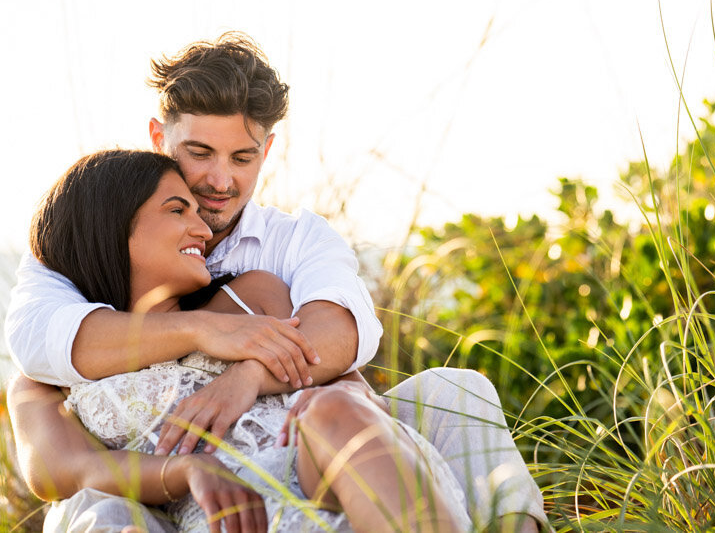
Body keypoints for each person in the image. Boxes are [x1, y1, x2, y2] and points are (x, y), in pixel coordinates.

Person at [4, 33, 546, 531]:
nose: (220, 181)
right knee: (92, 507)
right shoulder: (72, 246)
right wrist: (203, 334)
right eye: (198, 154)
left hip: (302, 451)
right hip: (169, 496)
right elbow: (40, 344)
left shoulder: (287, 250)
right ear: (158, 137)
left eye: (242, 157)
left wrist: (246, 374)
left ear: (266, 152)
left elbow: (343, 332)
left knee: (454, 391)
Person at [10, 149, 470, 532]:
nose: (204, 229)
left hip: (327, 473)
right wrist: (187, 471)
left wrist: (320, 393)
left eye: (196, 210)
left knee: (339, 408)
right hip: (222, 514)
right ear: (109, 224)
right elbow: (63, 473)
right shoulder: (51, 370)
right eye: (177, 210)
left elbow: (347, 379)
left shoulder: (252, 294)